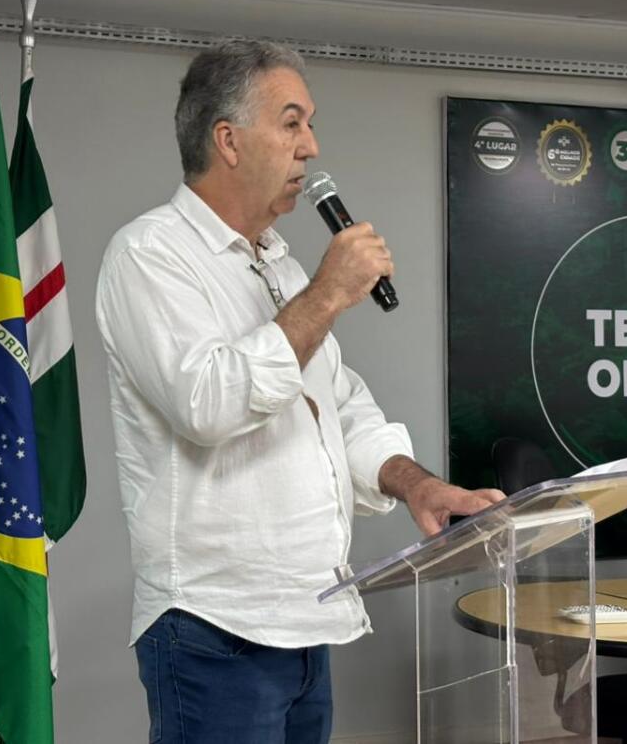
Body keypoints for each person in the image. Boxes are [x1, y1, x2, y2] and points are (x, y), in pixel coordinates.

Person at [95, 39, 504, 744]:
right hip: (215, 629)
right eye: (291, 123)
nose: (311, 147)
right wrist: (327, 294)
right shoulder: (150, 255)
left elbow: (339, 410)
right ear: (228, 140)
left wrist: (419, 486)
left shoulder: (281, 269)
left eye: (309, 125)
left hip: (308, 619)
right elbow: (209, 404)